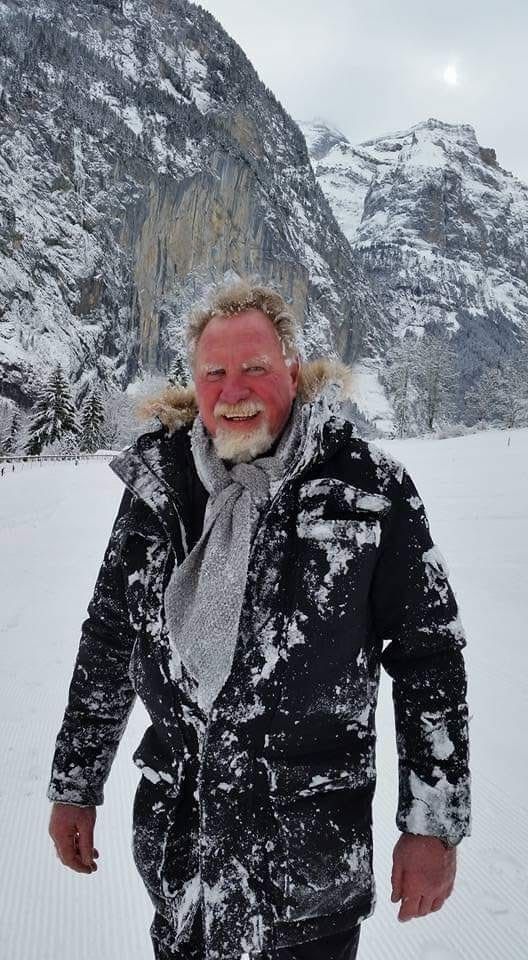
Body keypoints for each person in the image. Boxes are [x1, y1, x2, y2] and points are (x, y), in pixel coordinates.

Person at [47, 278, 471, 960]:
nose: (233, 389)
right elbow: (108, 638)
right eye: (214, 372)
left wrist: (433, 823)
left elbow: (430, 658)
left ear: (294, 374)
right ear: (194, 381)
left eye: (255, 368)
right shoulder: (159, 489)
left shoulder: (366, 488)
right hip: (181, 852)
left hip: (306, 862)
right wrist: (75, 783)